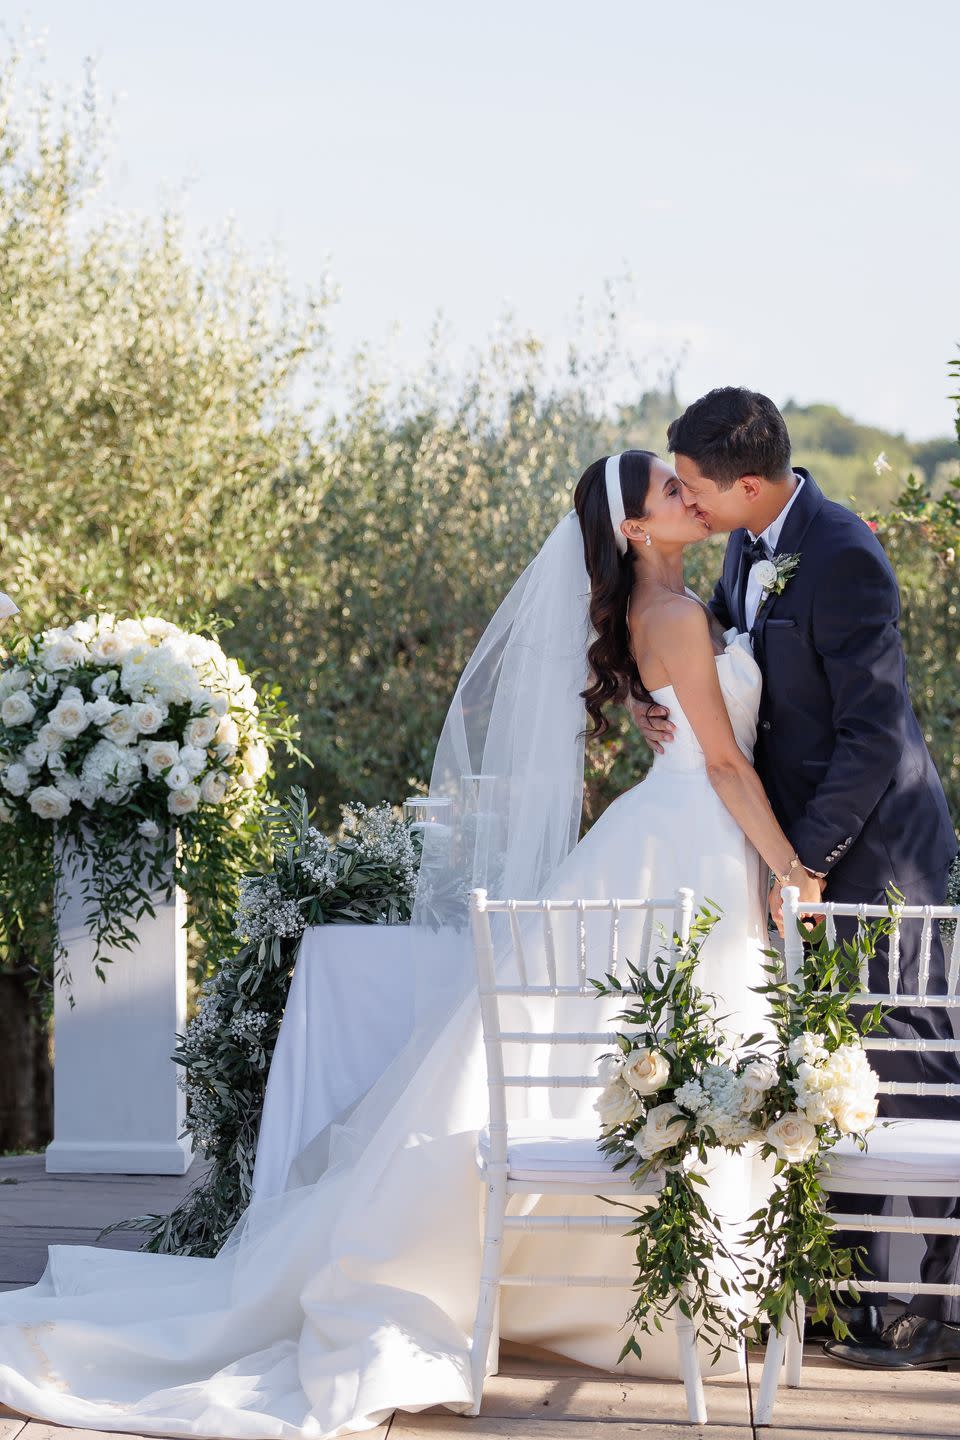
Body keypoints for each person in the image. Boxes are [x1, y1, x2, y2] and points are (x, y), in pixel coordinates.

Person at [0, 449, 829, 1436]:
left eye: (688, 484)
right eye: (669, 492)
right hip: (694, 841)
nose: (692, 496)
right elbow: (729, 765)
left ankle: (657, 1289)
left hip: (674, 839)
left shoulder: (679, 608)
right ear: (634, 532)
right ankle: (649, 1297)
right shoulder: (678, 617)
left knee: (651, 1054)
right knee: (661, 1050)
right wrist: (794, 871)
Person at [635, 387, 960, 1370]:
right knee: (828, 1069)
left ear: (744, 485)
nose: (685, 501)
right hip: (792, 847)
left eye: (693, 487)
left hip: (879, 849)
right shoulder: (743, 544)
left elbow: (872, 735)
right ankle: (852, 1297)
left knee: (918, 1065)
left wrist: (805, 858)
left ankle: (938, 1308)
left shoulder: (848, 558)